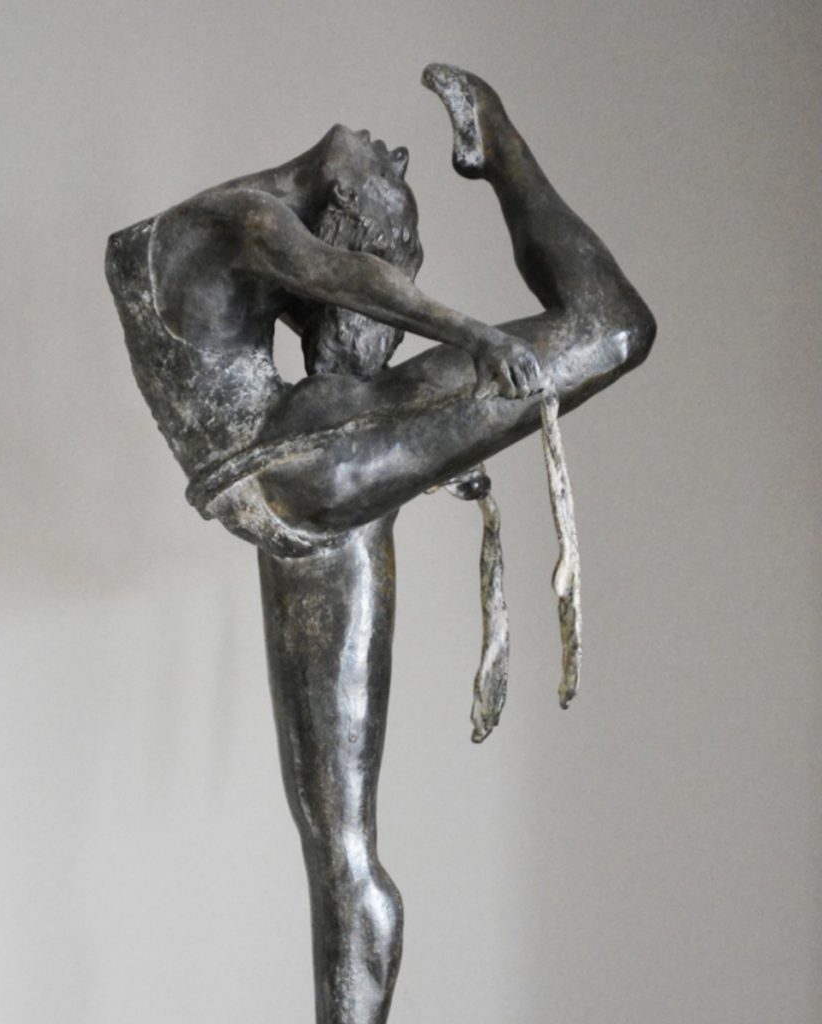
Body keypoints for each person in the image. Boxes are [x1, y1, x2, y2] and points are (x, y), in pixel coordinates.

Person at [106, 64, 654, 1024]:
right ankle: (500, 149)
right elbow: (332, 276)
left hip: (295, 491)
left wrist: (410, 452)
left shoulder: (205, 237)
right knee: (610, 328)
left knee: (341, 849)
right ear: (347, 214)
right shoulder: (245, 222)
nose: (390, 154)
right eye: (401, 203)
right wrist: (475, 336)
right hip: (298, 468)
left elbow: (332, 287)